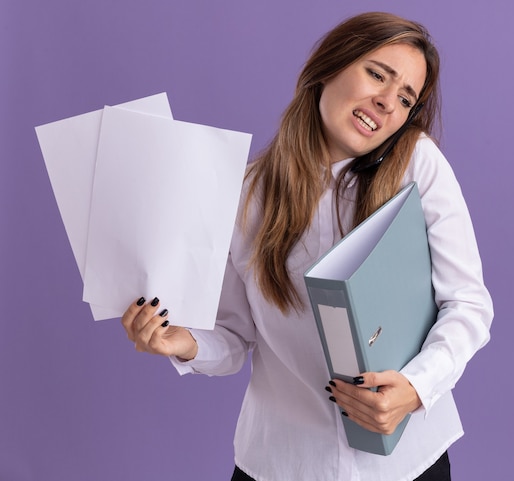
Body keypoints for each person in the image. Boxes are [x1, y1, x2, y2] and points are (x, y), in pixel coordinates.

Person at [121, 11, 493, 481]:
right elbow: (236, 338)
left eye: (405, 99)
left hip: (405, 462)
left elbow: (468, 303)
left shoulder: (418, 165)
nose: (386, 103)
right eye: (377, 74)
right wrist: (185, 343)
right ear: (328, 67)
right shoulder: (248, 192)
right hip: (281, 462)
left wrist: (416, 387)